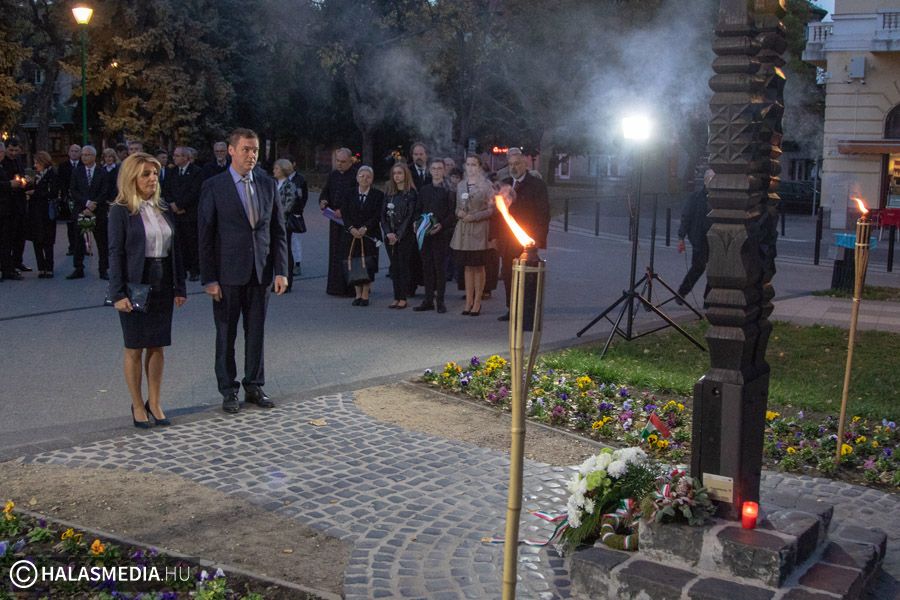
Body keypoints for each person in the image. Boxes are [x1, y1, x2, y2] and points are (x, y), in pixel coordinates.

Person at [198, 128, 288, 414]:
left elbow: (278, 231)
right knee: (226, 335)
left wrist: (281, 271)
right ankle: (228, 389)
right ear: (231, 151)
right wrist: (209, 278)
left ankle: (254, 385)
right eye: (246, 149)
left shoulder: (267, 184)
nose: (252, 155)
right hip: (227, 275)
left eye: (255, 150)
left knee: (256, 332)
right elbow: (205, 235)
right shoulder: (214, 186)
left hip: (260, 273)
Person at [107, 153, 187, 428]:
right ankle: (138, 405)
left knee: (157, 345)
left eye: (155, 173)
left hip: (163, 282)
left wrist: (180, 286)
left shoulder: (163, 207)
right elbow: (115, 253)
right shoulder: (120, 210)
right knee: (134, 347)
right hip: (134, 285)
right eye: (146, 174)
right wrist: (118, 294)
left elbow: (176, 249)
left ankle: (154, 402)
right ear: (132, 178)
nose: (153, 178)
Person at [497, 148, 551, 321]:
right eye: (511, 164)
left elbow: (543, 214)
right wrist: (495, 238)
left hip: (527, 241)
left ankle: (526, 312)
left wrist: (538, 239)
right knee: (508, 274)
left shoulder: (536, 185)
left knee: (527, 277)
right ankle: (511, 308)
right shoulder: (505, 184)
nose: (514, 167)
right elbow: (498, 215)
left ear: (525, 164)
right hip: (507, 240)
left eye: (517, 164)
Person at [450, 154, 494, 316]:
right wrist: (459, 213)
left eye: (474, 164)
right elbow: (456, 207)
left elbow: (492, 209)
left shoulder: (486, 186)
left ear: (479, 167)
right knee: (468, 267)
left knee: (478, 266)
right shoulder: (461, 185)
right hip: (464, 230)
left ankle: (477, 302)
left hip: (479, 229)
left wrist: (474, 216)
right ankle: (468, 301)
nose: (471, 168)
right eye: (468, 164)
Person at [413, 159, 455, 313]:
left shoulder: (449, 190)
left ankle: (440, 301)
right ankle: (428, 299)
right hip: (425, 233)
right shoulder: (424, 190)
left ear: (444, 171)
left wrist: (441, 225)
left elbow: (452, 213)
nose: (436, 171)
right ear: (430, 171)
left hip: (441, 234)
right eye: (434, 168)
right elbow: (418, 209)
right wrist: (417, 222)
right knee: (427, 267)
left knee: (439, 268)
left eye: (439, 168)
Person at [67, 145, 112, 280]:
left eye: (87, 155)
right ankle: (78, 268)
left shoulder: (102, 172)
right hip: (82, 210)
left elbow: (105, 190)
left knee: (102, 241)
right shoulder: (77, 171)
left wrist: (94, 204)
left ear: (94, 156)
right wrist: (86, 203)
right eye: (83, 155)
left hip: (98, 211)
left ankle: (103, 269)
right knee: (79, 241)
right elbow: (73, 190)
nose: (84, 157)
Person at [342, 165, 383, 306]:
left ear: (372, 179)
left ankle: (365, 293)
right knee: (355, 263)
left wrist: (366, 227)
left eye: (368, 177)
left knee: (368, 263)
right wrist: (351, 228)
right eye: (362, 176)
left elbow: (378, 214)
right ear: (357, 178)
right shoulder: (349, 193)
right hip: (352, 234)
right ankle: (357, 294)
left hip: (370, 234)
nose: (365, 179)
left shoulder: (378, 195)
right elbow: (345, 213)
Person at [319, 148, 357, 296]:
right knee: (335, 252)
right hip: (334, 220)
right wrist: (323, 200)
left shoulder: (355, 175)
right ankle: (335, 287)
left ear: (350, 161)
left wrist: (344, 210)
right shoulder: (333, 175)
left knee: (348, 252)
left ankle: (350, 288)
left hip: (349, 220)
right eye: (338, 161)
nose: (339, 164)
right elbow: (326, 191)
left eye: (343, 161)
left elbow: (356, 197)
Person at [381, 162, 418, 309]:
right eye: (394, 173)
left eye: (400, 173)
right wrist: (388, 232)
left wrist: (398, 235)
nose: (397, 176)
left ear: (405, 175)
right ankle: (396, 296)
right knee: (394, 266)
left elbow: (409, 216)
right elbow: (383, 215)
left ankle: (403, 297)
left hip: (404, 236)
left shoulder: (411, 194)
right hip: (390, 235)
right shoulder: (389, 193)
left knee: (403, 266)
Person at [165, 147, 203, 281]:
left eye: (177, 156)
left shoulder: (196, 172)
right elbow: (166, 189)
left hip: (190, 214)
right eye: (174, 155)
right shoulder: (172, 171)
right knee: (179, 243)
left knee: (191, 242)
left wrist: (181, 205)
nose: (174, 158)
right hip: (175, 214)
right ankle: (182, 270)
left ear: (186, 157)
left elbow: (195, 192)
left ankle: (194, 270)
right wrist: (172, 204)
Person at [676, 168, 714, 301]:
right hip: (700, 237)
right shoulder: (696, 197)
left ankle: (708, 298)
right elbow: (686, 216)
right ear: (705, 181)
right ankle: (682, 292)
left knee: (715, 269)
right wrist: (681, 237)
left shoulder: (719, 198)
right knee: (698, 267)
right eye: (711, 179)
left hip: (715, 238)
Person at [24, 152, 59, 278]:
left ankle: (49, 267)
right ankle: (41, 267)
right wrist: (27, 184)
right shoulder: (35, 175)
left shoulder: (52, 174)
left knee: (47, 240)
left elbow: (53, 192)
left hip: (46, 211)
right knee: (37, 240)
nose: (35, 165)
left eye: (37, 163)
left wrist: (36, 192)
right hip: (35, 212)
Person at [272, 158, 301, 292]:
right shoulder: (273, 183)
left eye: (277, 168)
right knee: (274, 251)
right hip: (272, 222)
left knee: (285, 251)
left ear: (284, 170)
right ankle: (275, 280)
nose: (274, 170)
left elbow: (289, 204)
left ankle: (287, 281)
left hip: (284, 222)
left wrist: (276, 215)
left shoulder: (290, 185)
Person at [1, 138, 29, 274]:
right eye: (10, 150)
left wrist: (24, 181)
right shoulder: (3, 162)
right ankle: (8, 266)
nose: (13, 153)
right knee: (8, 238)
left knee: (20, 235)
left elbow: (21, 174)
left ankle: (18, 261)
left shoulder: (18, 160)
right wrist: (10, 184)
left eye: (16, 150)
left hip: (19, 203)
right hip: (7, 205)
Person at [57, 144, 82, 255]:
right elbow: (61, 181)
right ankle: (72, 246)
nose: (74, 153)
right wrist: (65, 195)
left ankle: (83, 247)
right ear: (68, 152)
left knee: (82, 223)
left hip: (81, 198)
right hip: (68, 199)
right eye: (72, 151)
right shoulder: (63, 166)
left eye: (76, 151)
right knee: (70, 224)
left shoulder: (83, 165)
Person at [287, 158, 309, 276]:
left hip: (295, 213)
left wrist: (299, 209)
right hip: (283, 214)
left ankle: (297, 263)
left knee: (295, 240)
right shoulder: (280, 177)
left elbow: (304, 196)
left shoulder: (300, 179)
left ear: (294, 164)